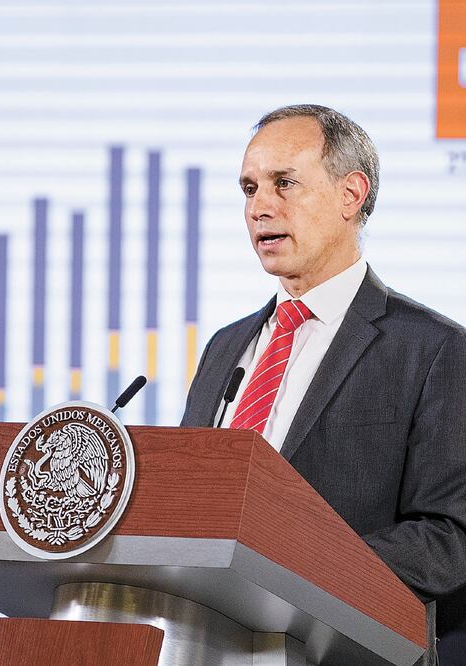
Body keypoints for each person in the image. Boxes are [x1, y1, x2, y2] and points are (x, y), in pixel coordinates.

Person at [181, 104, 466, 664]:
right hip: (202, 641)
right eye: (248, 188)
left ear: (351, 195)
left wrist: (296, 564)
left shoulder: (434, 350)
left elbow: (448, 539)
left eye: (284, 183)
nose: (260, 207)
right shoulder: (224, 347)